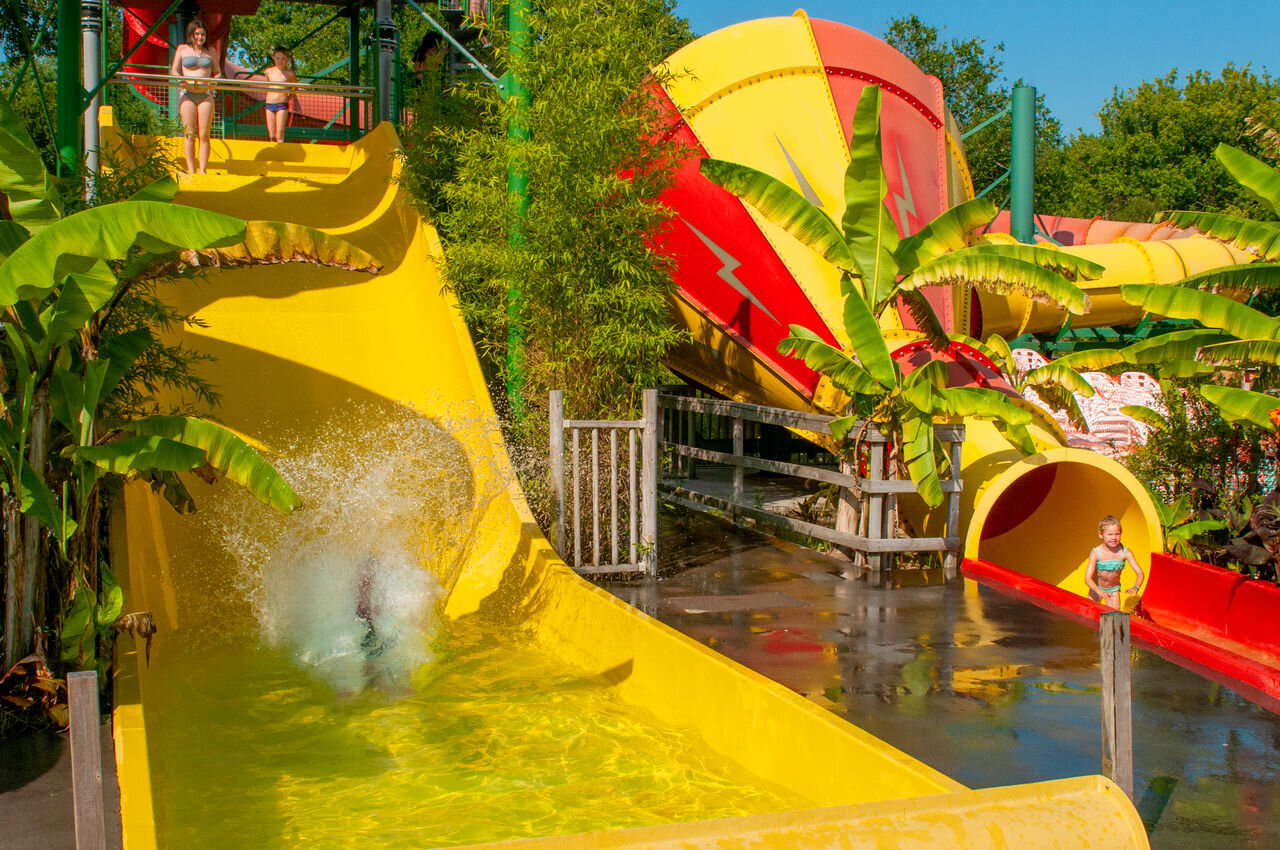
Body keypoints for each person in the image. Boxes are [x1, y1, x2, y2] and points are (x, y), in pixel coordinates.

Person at [170, 19, 221, 174]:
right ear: (191, 35)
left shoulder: (210, 51)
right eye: (197, 34)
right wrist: (181, 81)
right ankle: (191, 169)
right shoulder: (182, 49)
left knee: (204, 134)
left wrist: (214, 83)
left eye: (203, 34)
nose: (200, 37)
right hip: (187, 94)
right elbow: (174, 70)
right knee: (189, 133)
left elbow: (218, 72)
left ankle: (203, 169)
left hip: (205, 94)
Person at [1085, 516, 1145, 609]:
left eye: (1117, 534)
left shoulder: (1125, 553)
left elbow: (1140, 573)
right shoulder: (1096, 553)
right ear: (1101, 535)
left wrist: (1135, 587)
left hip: (1113, 590)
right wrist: (1100, 592)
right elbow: (1087, 578)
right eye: (1110, 534)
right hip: (1096, 589)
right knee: (1090, 616)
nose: (1114, 537)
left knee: (1114, 621)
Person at [263, 46, 298, 143]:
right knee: (272, 135)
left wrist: (291, 96)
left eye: (283, 59)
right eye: (278, 58)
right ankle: (274, 152)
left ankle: (280, 152)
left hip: (282, 104)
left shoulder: (289, 74)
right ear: (273, 58)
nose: (280, 61)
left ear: (287, 60)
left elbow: (295, 87)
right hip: (269, 104)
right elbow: (265, 84)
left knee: (280, 134)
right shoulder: (269, 72)